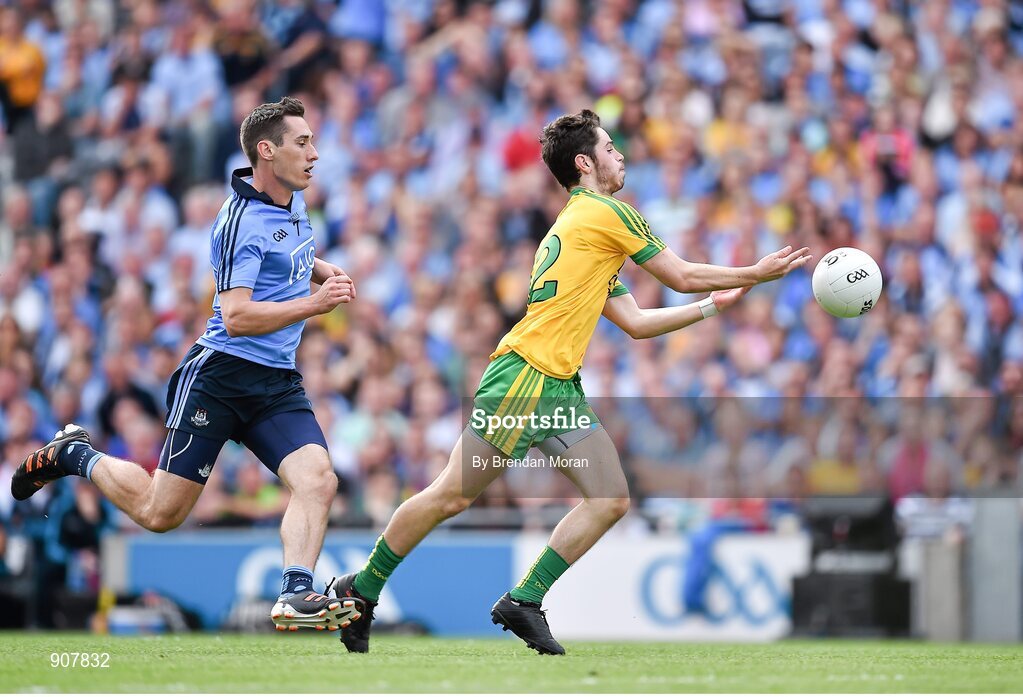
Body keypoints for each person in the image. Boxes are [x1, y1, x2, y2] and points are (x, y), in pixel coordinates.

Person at [330, 109, 812, 655]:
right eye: (610, 148)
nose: (621, 154)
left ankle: (524, 599)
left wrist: (710, 307)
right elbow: (679, 274)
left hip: (555, 384)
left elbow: (635, 324)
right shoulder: (608, 214)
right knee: (451, 497)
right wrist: (755, 272)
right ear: (585, 163)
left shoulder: (583, 230)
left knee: (609, 498)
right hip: (525, 378)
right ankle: (362, 589)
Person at [10, 97, 365, 633]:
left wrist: (316, 270)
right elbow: (238, 315)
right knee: (160, 514)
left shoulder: (291, 199)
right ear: (267, 152)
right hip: (220, 375)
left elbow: (286, 250)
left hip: (275, 381)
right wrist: (315, 303)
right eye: (303, 143)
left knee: (317, 478)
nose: (315, 154)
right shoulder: (240, 221)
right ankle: (76, 453)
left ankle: (296, 592)